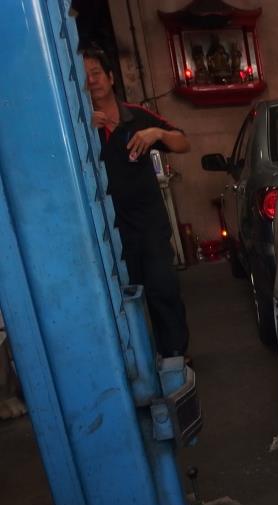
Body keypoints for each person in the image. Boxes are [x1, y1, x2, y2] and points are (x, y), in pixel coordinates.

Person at [83, 47, 191, 358]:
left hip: (149, 224)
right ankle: (133, 363)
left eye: (96, 73)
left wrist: (157, 133)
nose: (92, 81)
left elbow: (183, 142)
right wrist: (86, 130)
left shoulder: (136, 116)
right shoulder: (78, 127)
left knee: (162, 288)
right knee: (118, 298)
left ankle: (175, 355)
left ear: (111, 77)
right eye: (85, 77)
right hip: (108, 231)